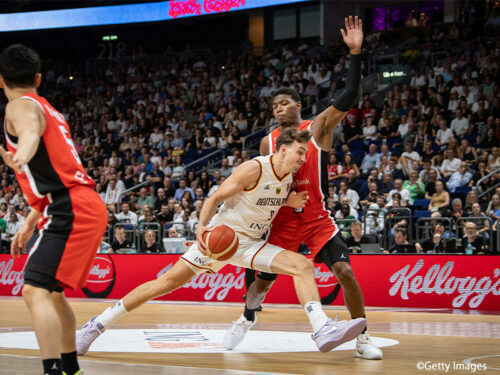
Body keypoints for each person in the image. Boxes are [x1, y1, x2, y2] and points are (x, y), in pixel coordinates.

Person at [77, 128, 366, 355]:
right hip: (220, 240)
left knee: (302, 266)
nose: (303, 159)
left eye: (305, 154)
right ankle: (96, 325)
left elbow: (268, 200)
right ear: (282, 149)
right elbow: (215, 197)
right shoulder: (254, 168)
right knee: (166, 283)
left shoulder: (288, 178)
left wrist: (288, 199)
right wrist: (201, 226)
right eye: (300, 153)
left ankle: (321, 328)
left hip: (250, 245)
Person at [230, 17, 382, 360]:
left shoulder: (318, 127)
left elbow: (348, 94)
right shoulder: (267, 142)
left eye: (283, 104)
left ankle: (363, 336)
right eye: (273, 106)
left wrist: (355, 53)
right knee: (260, 286)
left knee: (345, 272)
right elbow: (263, 184)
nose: (278, 109)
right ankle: (247, 316)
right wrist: (280, 201)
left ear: (298, 106)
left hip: (316, 218)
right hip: (282, 220)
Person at [0, 44, 107, 375]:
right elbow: (57, 173)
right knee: (54, 293)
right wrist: (30, 221)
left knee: (34, 289)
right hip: (75, 203)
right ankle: (70, 367)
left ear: (0, 80)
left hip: (70, 207)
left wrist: (22, 153)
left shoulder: (20, 106)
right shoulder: (52, 110)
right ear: (38, 78)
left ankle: (52, 371)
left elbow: (29, 131)